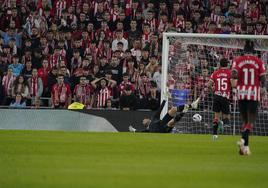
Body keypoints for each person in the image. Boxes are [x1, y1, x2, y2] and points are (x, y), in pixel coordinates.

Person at [231, 40, 266, 155]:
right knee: (250, 121)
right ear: (253, 51)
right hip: (253, 93)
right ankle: (242, 139)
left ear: (244, 50)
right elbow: (262, 78)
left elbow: (234, 75)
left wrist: (238, 77)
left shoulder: (238, 60)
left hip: (241, 93)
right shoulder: (258, 61)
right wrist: (263, 88)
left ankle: (245, 147)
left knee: (245, 120)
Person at [129, 97, 200, 133]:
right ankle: (184, 111)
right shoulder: (148, 130)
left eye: (144, 119)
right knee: (171, 122)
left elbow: (160, 109)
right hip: (163, 130)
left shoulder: (154, 118)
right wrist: (134, 130)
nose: (143, 121)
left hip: (162, 122)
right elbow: (139, 132)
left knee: (173, 109)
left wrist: (165, 100)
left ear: (148, 119)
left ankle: (192, 105)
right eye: (143, 122)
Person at [208, 58, 232, 140]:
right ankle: (224, 127)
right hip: (225, 96)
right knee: (227, 117)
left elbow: (208, 85)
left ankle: (214, 135)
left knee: (216, 116)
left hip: (217, 96)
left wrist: (213, 90)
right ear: (227, 65)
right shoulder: (230, 73)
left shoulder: (215, 73)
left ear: (219, 64)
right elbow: (233, 84)